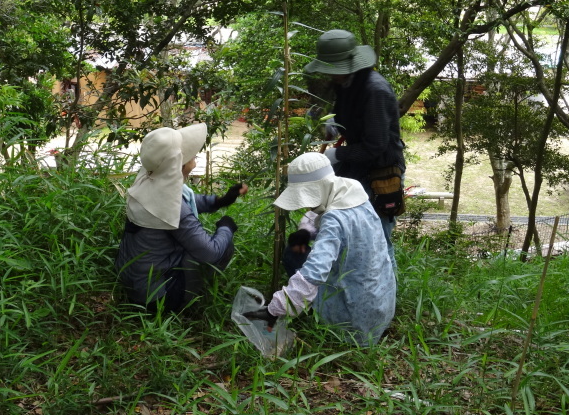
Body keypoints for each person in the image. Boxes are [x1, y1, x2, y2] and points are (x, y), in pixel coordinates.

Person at [245, 153, 396, 346]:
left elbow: (314, 272)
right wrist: (307, 231)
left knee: (295, 259)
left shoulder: (334, 220)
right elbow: (324, 219)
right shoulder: (353, 192)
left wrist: (275, 309)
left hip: (352, 323)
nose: (308, 205)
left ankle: (327, 321)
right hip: (380, 306)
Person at [115, 123, 248, 312]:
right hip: (158, 297)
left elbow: (184, 200)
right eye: (190, 155)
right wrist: (226, 227)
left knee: (196, 243)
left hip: (135, 282)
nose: (194, 156)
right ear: (180, 164)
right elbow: (210, 253)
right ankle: (190, 304)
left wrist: (221, 200)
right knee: (218, 246)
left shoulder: (148, 182)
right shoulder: (174, 210)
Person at [305, 29, 406, 246]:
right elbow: (349, 116)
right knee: (355, 237)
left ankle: (386, 280)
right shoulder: (346, 83)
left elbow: (375, 145)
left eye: (333, 69)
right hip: (358, 169)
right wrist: (334, 125)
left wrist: (336, 154)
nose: (329, 75)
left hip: (382, 171)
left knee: (378, 240)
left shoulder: (375, 91)